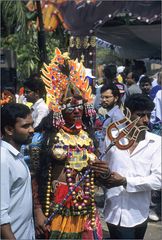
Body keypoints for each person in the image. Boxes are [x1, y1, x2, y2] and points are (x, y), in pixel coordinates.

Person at [31, 48, 109, 239]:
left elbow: (97, 174)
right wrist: (38, 211)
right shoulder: (45, 137)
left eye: (80, 104)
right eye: (70, 105)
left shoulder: (88, 137)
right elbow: (35, 176)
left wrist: (103, 172)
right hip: (57, 206)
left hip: (85, 207)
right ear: (58, 107)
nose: (76, 110)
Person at [102, 94, 161, 239]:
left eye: (148, 115)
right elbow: (104, 166)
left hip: (138, 212)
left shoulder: (156, 142)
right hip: (113, 209)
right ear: (128, 115)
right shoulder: (112, 136)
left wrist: (125, 181)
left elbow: (158, 180)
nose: (146, 120)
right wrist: (101, 175)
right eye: (140, 115)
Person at [0, 103, 35, 239]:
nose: (32, 130)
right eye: (25, 126)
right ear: (9, 129)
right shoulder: (3, 159)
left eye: (31, 124)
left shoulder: (16, 156)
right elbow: (1, 215)